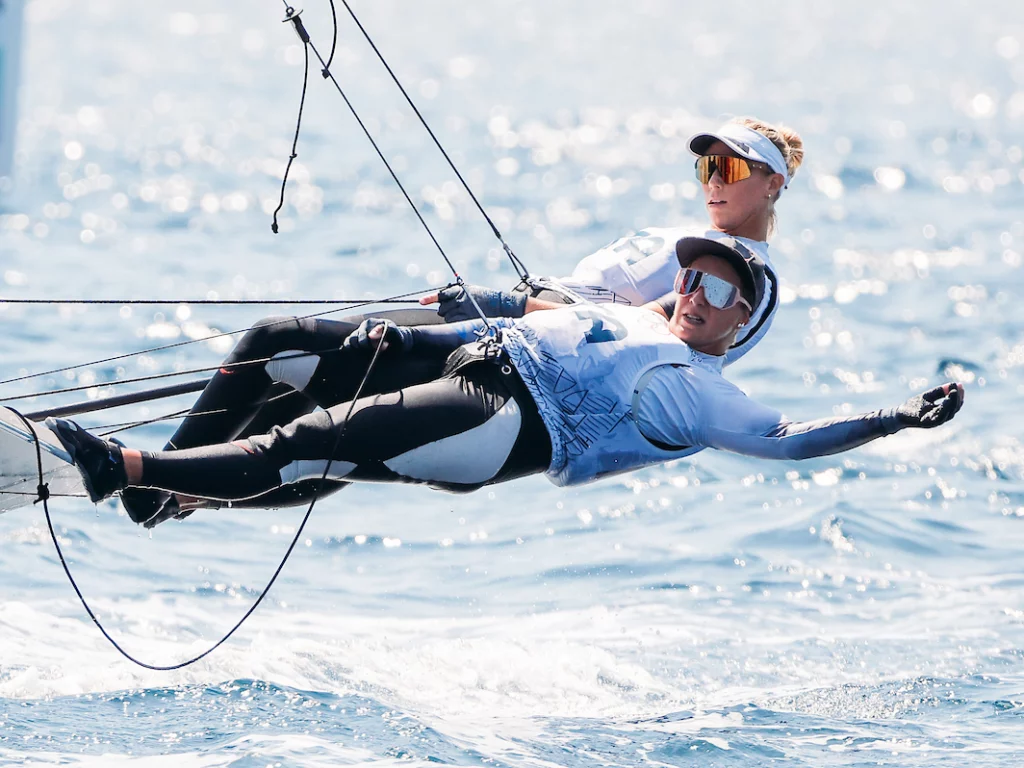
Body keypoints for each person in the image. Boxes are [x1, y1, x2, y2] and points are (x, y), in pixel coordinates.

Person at [119, 116, 805, 524]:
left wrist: (496, 304)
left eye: (733, 166)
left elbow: (630, 341)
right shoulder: (701, 247)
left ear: (773, 183)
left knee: (311, 395)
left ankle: (158, 481)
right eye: (707, 165)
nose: (715, 178)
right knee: (320, 413)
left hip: (521, 356)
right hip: (498, 334)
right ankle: (176, 488)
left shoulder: (742, 279)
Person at [48, 237, 964, 514]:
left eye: (718, 287)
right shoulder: (642, 313)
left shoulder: (699, 390)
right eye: (690, 273)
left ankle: (123, 471)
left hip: (502, 422)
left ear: (740, 322)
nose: (692, 289)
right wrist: (447, 305)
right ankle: (163, 485)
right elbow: (528, 309)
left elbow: (791, 444)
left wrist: (897, 420)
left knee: (308, 446)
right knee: (278, 344)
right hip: (470, 355)